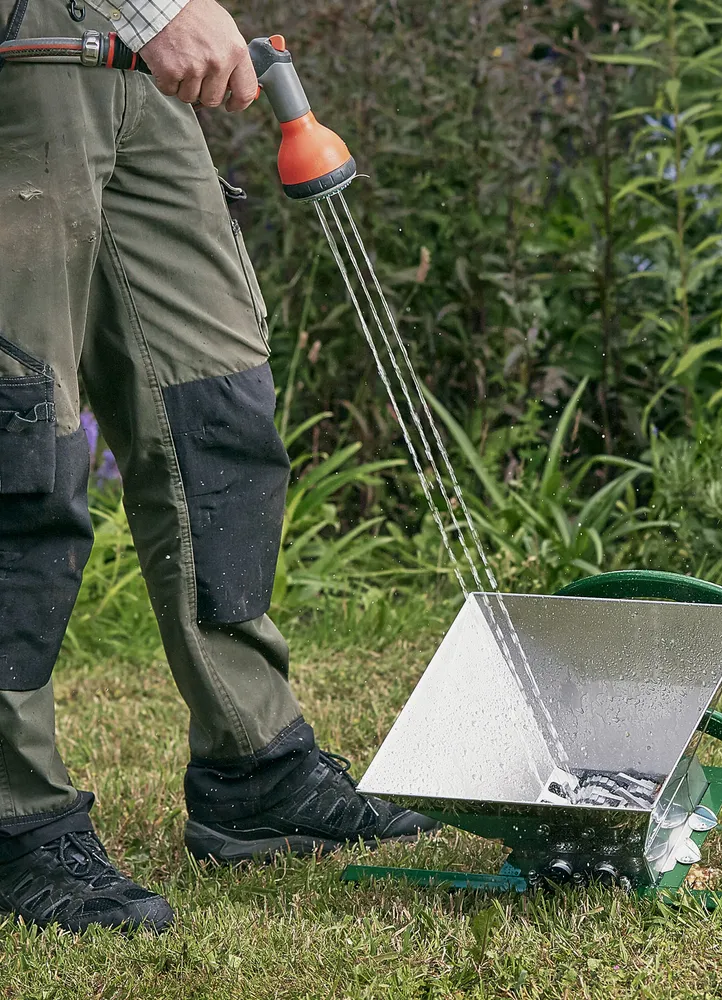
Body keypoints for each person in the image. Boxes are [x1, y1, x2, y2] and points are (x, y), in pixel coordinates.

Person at [0, 0, 435, 935]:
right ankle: (15, 811)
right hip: (23, 49)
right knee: (19, 442)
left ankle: (255, 766)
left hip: (127, 63)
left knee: (214, 409)